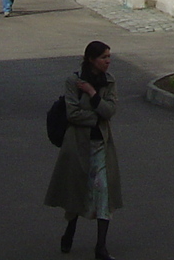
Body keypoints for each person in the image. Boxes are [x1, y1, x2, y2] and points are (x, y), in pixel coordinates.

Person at [45, 41, 121, 258]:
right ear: (91, 59)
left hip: (101, 145)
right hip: (78, 145)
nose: (108, 61)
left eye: (109, 56)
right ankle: (69, 231)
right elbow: (73, 114)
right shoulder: (73, 81)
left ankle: (101, 247)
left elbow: (111, 110)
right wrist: (97, 116)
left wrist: (92, 94)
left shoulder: (109, 81)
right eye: (103, 57)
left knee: (103, 193)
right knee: (78, 191)